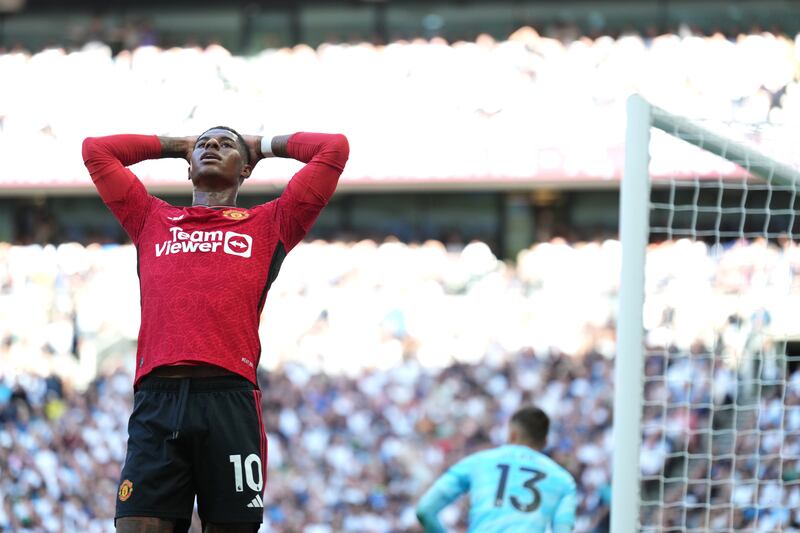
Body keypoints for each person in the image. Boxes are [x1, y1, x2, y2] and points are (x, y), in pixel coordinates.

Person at [82, 127, 349, 533]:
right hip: (157, 402)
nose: (211, 147)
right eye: (204, 143)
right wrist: (178, 146)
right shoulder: (151, 217)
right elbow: (97, 150)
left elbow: (333, 149)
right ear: (188, 168)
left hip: (229, 400)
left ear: (245, 169)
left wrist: (262, 145)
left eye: (226, 145)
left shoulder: (270, 222)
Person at [416, 406, 577, 533]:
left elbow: (425, 509)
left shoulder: (478, 461)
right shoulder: (563, 480)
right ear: (545, 441)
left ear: (512, 435)